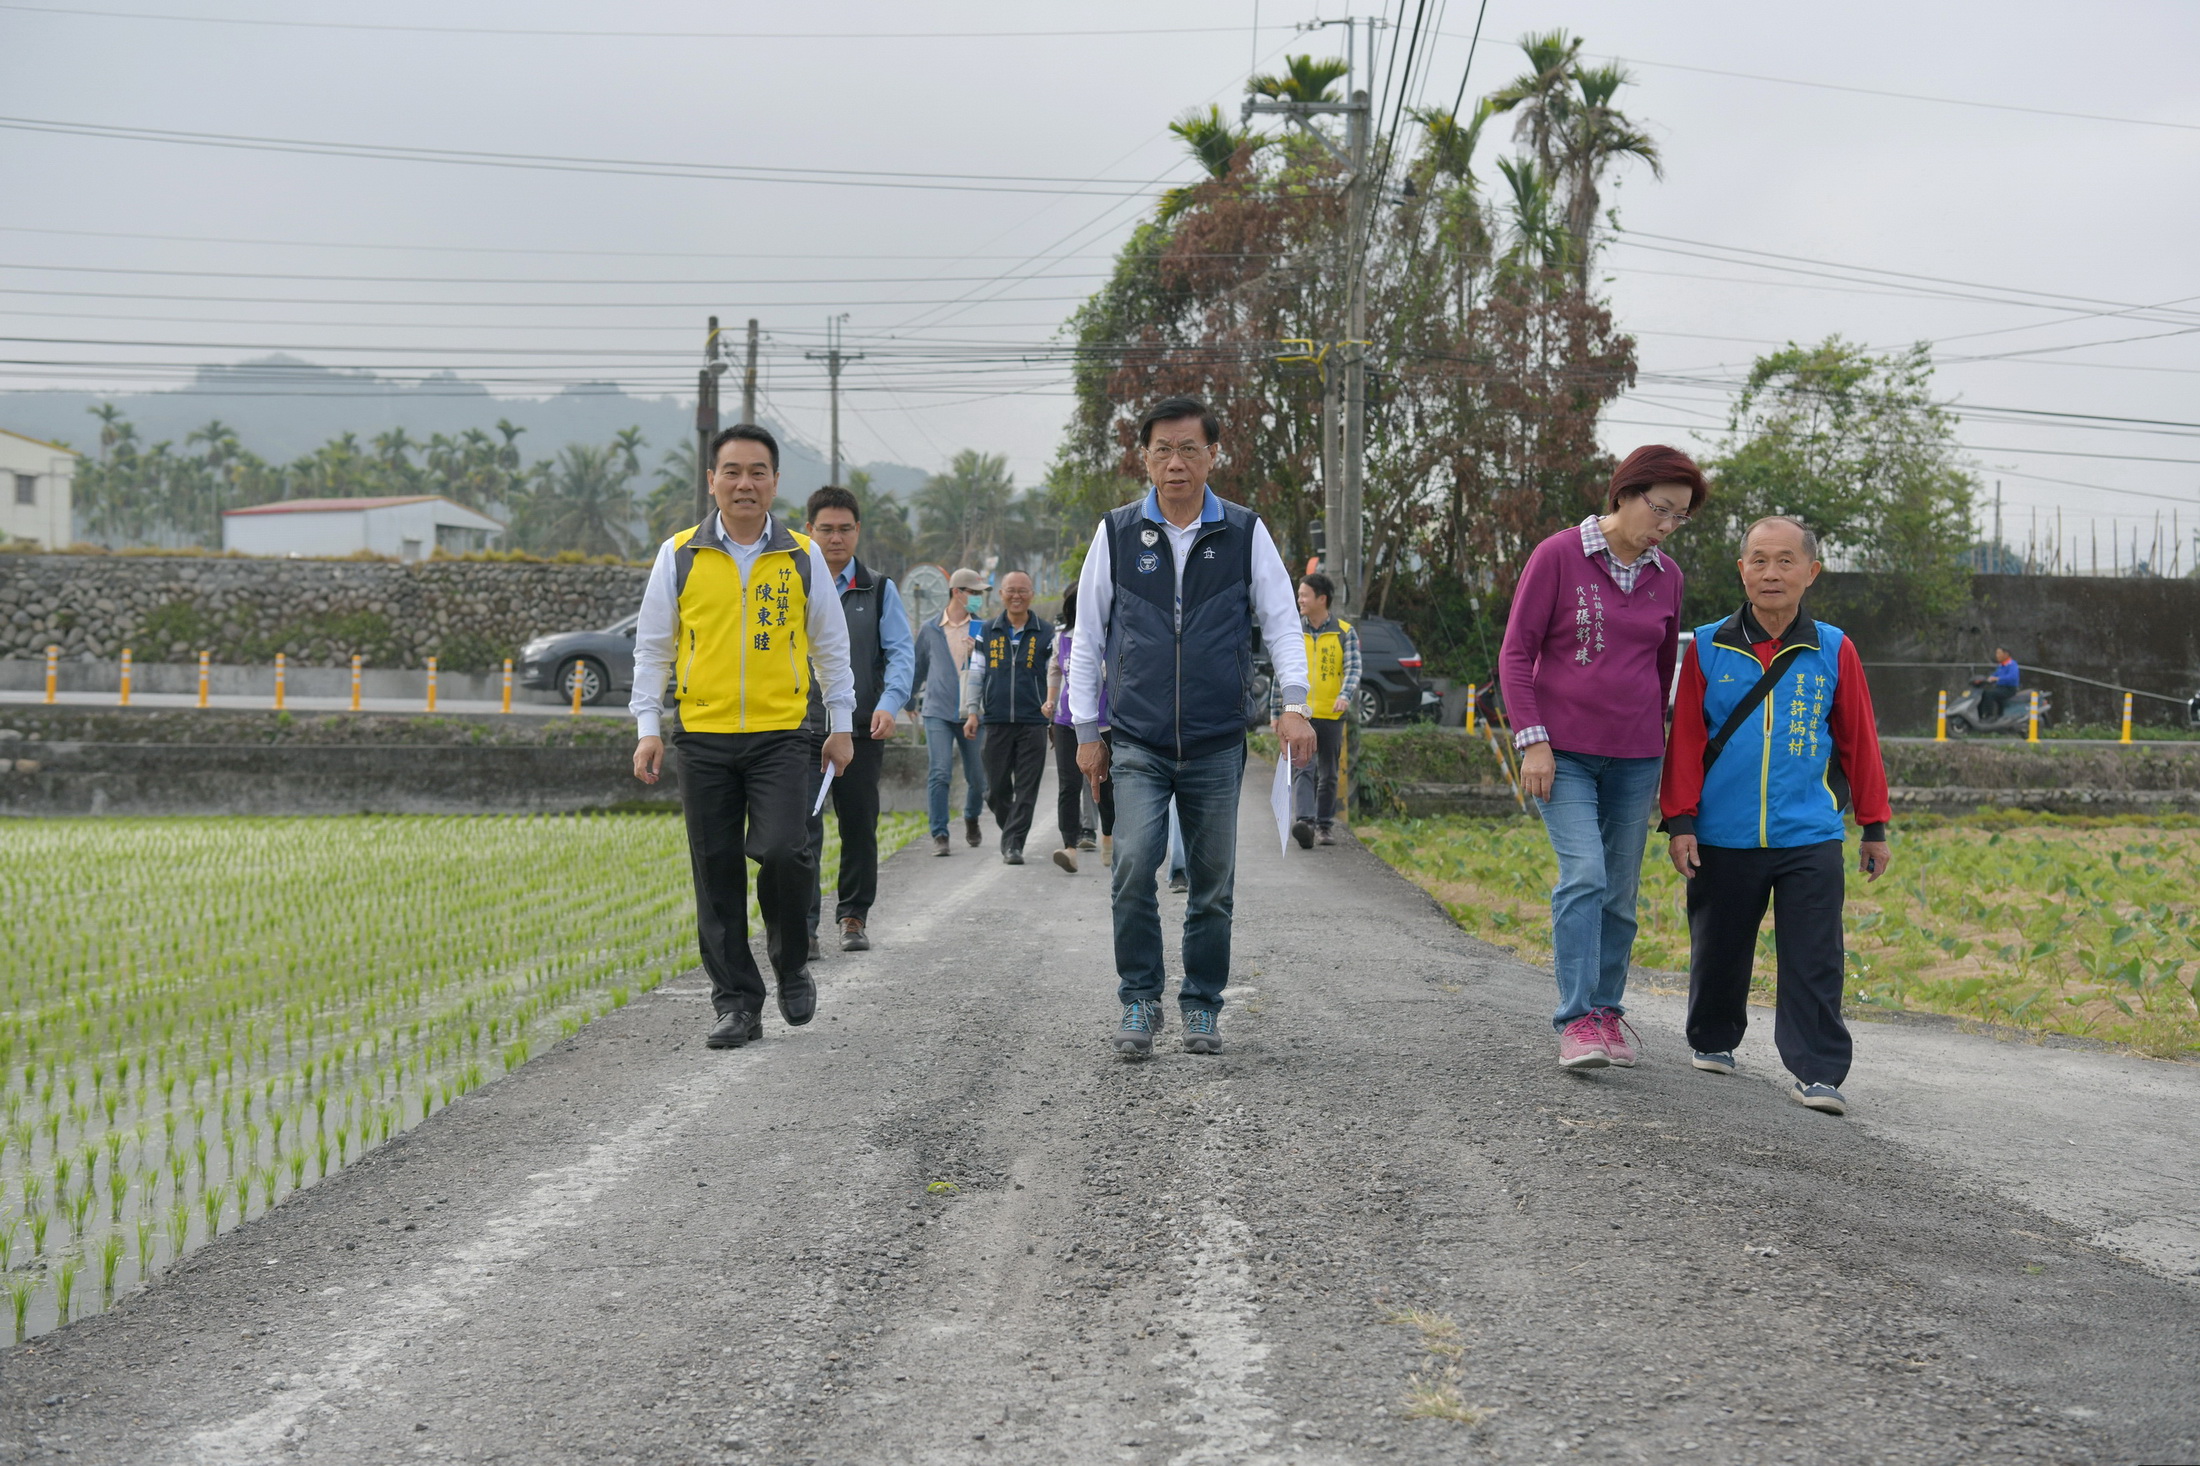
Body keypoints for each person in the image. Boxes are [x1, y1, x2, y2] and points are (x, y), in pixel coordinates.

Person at [1068, 395, 1313, 1058]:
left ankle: (1202, 1004)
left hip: (1214, 742)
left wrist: (1296, 703)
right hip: (1139, 739)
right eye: (1162, 451)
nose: (1175, 464)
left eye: (1189, 450)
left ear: (1212, 456)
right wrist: (1085, 729)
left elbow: (1283, 621)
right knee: (1133, 865)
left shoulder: (1243, 532)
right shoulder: (1116, 533)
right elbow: (1088, 635)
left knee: (1212, 883)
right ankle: (1140, 999)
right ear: (1143, 458)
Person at [630, 424, 853, 1051]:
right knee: (716, 869)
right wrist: (649, 728)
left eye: (758, 472)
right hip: (701, 735)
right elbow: (652, 649)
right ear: (712, 481)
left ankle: (789, 964)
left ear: (776, 482)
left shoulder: (803, 556)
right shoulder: (679, 554)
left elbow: (831, 650)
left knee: (785, 850)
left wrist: (840, 727)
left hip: (782, 733)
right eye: (732, 471)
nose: (745, 483)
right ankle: (736, 1002)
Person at [1660, 515, 1893, 1116]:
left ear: (1811, 572)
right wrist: (1680, 821)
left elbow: (1858, 741)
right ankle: (1712, 1039)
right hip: (1722, 834)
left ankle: (1818, 1071)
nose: (1771, 572)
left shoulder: (1834, 648)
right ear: (1741, 570)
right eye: (1759, 560)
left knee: (1816, 954)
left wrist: (1874, 824)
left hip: (1807, 833)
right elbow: (1686, 740)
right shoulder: (1709, 645)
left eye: (1785, 560)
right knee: (1720, 947)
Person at [1499, 444, 1702, 1071]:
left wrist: (1669, 763)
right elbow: (1515, 656)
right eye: (1661, 509)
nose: (1666, 526)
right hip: (1563, 757)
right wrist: (1533, 740)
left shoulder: (1667, 576)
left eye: (1679, 518)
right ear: (1626, 493)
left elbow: (1664, 673)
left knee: (1619, 894)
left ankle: (1608, 1011)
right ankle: (1575, 1021)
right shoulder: (1558, 555)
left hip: (1637, 756)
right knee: (1584, 875)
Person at [800, 485, 914, 954]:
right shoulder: (792, 583)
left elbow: (901, 654)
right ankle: (802, 927)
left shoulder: (879, 589)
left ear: (857, 531)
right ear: (809, 531)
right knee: (800, 830)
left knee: (858, 825)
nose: (835, 538)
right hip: (801, 728)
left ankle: (853, 916)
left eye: (844, 529)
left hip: (862, 730)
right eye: (825, 529)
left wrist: (890, 703)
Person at [965, 570, 1053, 864]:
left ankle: (1013, 844)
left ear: (1032, 594)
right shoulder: (987, 632)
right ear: (1001, 594)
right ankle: (1012, 832)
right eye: (1011, 590)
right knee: (996, 789)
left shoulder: (1047, 633)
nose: (1017, 596)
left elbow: (1057, 675)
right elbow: (976, 675)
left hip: (1034, 721)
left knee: (1027, 787)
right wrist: (972, 712)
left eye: (1023, 590)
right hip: (997, 720)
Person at [912, 568, 989, 855]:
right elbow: (918, 665)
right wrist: (908, 701)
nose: (979, 598)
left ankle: (971, 817)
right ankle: (940, 833)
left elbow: (994, 668)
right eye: (975, 593)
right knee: (940, 772)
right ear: (957, 592)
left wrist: (976, 656)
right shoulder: (931, 628)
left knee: (977, 776)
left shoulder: (983, 628)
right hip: (937, 711)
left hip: (972, 712)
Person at [1279, 571, 1358, 848]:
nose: (1299, 599)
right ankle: (1306, 823)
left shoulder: (1344, 632)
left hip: (1332, 714)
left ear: (1321, 599)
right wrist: (1277, 712)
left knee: (1329, 773)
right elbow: (1283, 672)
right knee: (1303, 768)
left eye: (1304, 595)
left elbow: (1353, 669)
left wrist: (1345, 695)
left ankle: (1325, 825)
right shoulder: (1293, 632)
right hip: (1302, 714)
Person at [1044, 582, 1114, 873]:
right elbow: (1055, 669)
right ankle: (1069, 847)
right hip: (1065, 722)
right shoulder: (1062, 638)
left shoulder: (1110, 637)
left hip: (1105, 723)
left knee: (1106, 787)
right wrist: (1049, 700)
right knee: (1068, 785)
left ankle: (1109, 838)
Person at [1976, 647, 2020, 722]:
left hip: (2009, 689)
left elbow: (2012, 677)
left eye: (1999, 653)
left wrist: (1998, 678)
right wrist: (1984, 679)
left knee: (1989, 694)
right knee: (1982, 693)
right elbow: (1995, 675)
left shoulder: (2012, 664)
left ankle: (1989, 716)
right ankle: (1979, 716)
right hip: (2000, 688)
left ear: (2006, 654)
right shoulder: (2001, 665)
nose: (1997, 655)